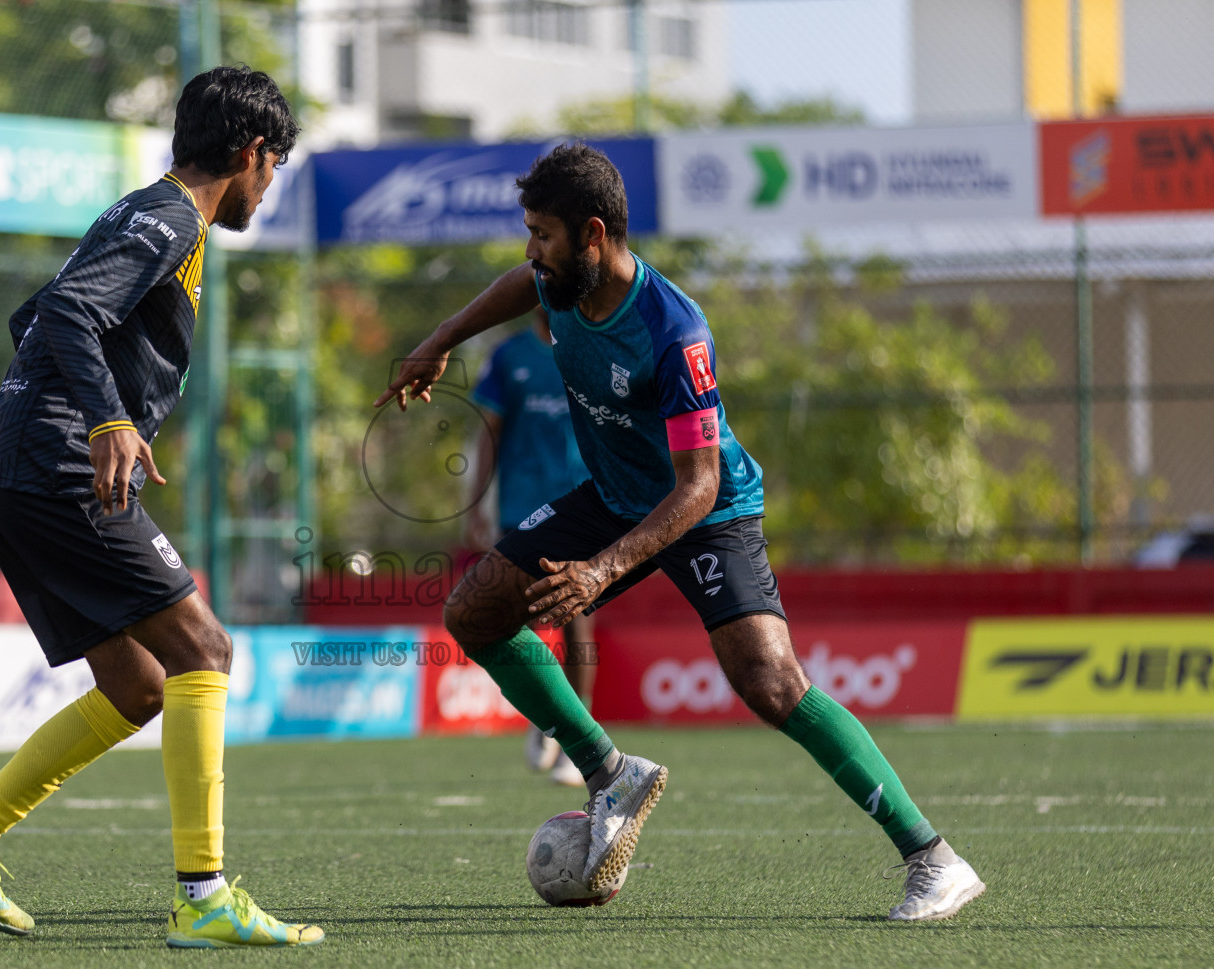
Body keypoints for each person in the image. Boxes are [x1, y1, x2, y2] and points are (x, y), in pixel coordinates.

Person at [376, 142, 985, 920]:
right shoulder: (559, 285)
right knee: (474, 610)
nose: (533, 252)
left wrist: (599, 572)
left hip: (708, 511)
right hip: (615, 494)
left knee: (770, 683)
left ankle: (933, 859)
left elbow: (696, 487)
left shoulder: (674, 331)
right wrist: (438, 343)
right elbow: (511, 288)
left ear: (593, 234)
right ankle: (608, 772)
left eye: (544, 235)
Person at [0, 67, 322, 948]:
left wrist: (112, 411)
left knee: (137, 686)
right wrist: (103, 418)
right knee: (205, 647)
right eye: (274, 166)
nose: (271, 186)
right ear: (249, 154)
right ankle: (204, 897)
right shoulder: (171, 218)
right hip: (54, 469)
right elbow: (61, 310)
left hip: (13, 473)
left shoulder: (146, 212)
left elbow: (36, 319)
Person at [466, 306, 594, 787]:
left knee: (579, 612)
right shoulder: (509, 355)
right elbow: (488, 433)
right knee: (512, 617)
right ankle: (548, 718)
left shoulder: (593, 349)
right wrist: (477, 501)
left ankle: (580, 738)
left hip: (584, 505)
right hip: (519, 506)